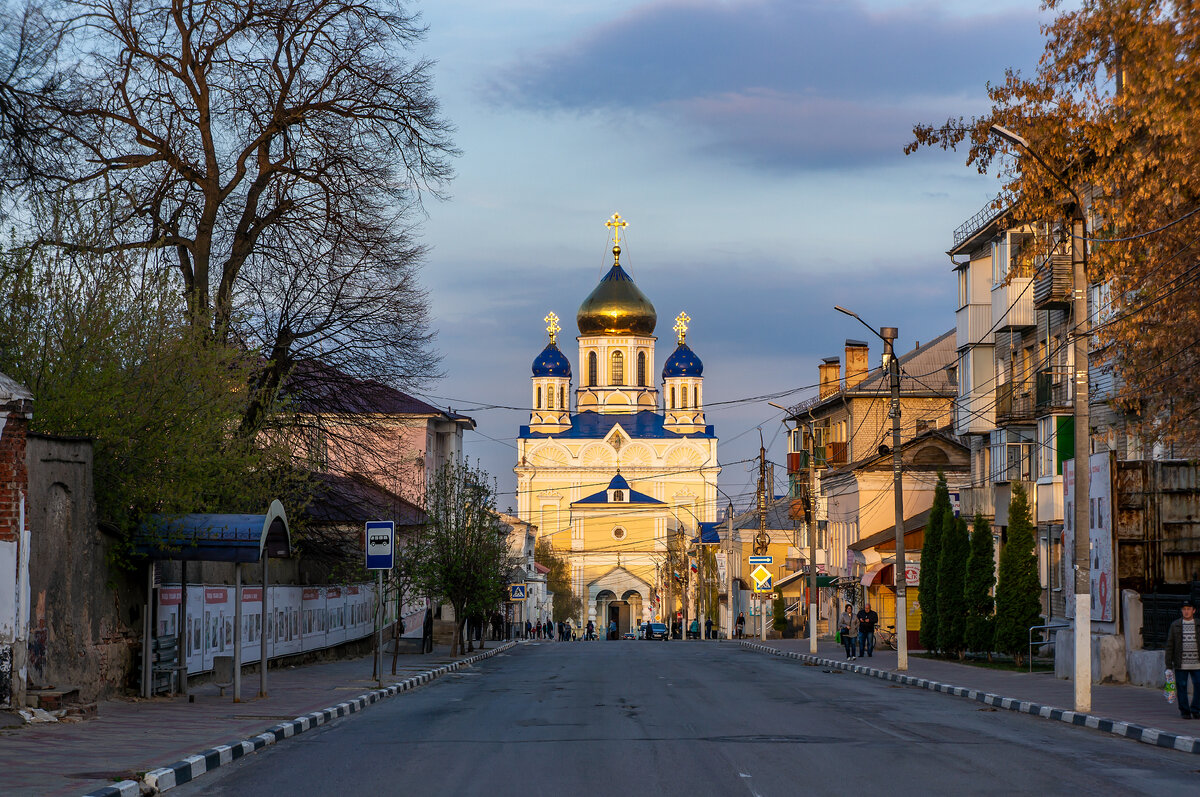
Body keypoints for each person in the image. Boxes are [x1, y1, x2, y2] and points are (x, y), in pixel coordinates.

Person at [1167, 599, 1200, 719]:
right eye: (1184, 609)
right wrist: (1168, 665)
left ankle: (1196, 709)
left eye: (1189, 609)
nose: (1186, 612)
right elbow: (1170, 645)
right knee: (1181, 686)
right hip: (1181, 663)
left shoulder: (1198, 624)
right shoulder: (1175, 625)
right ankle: (1185, 711)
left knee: (1199, 685)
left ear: (1194, 610)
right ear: (1181, 611)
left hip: (1197, 663)